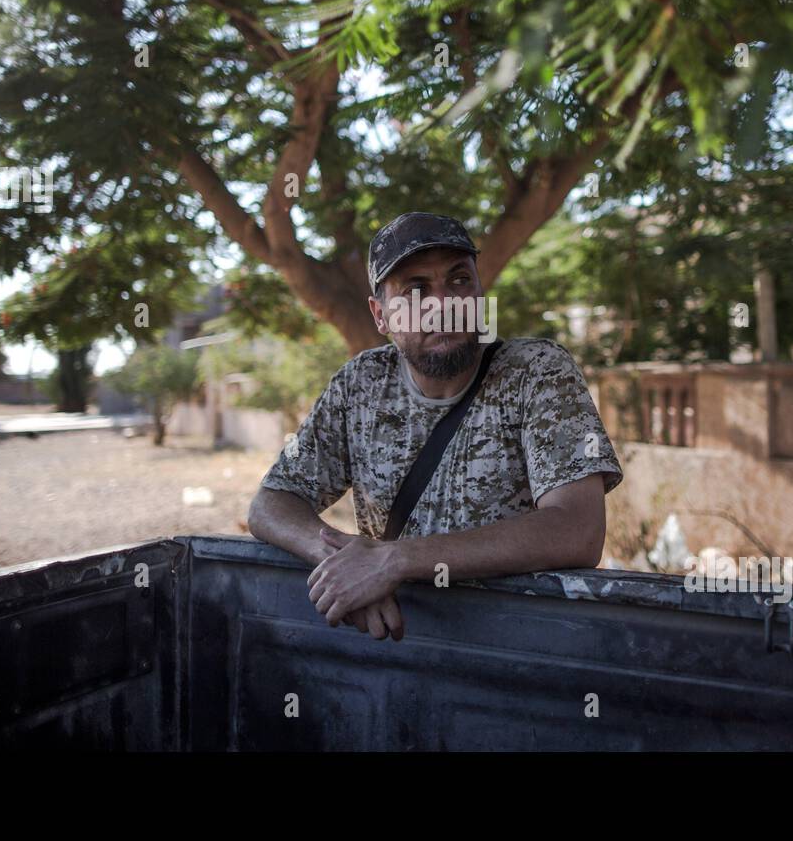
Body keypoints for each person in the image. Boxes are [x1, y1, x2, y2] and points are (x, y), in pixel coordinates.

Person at [247, 212, 623, 640]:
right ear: (380, 315)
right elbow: (270, 502)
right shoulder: (361, 384)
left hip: (520, 649)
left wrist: (394, 560)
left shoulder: (536, 372)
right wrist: (341, 559)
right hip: (400, 645)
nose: (443, 304)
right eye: (416, 289)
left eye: (460, 280)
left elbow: (578, 530)